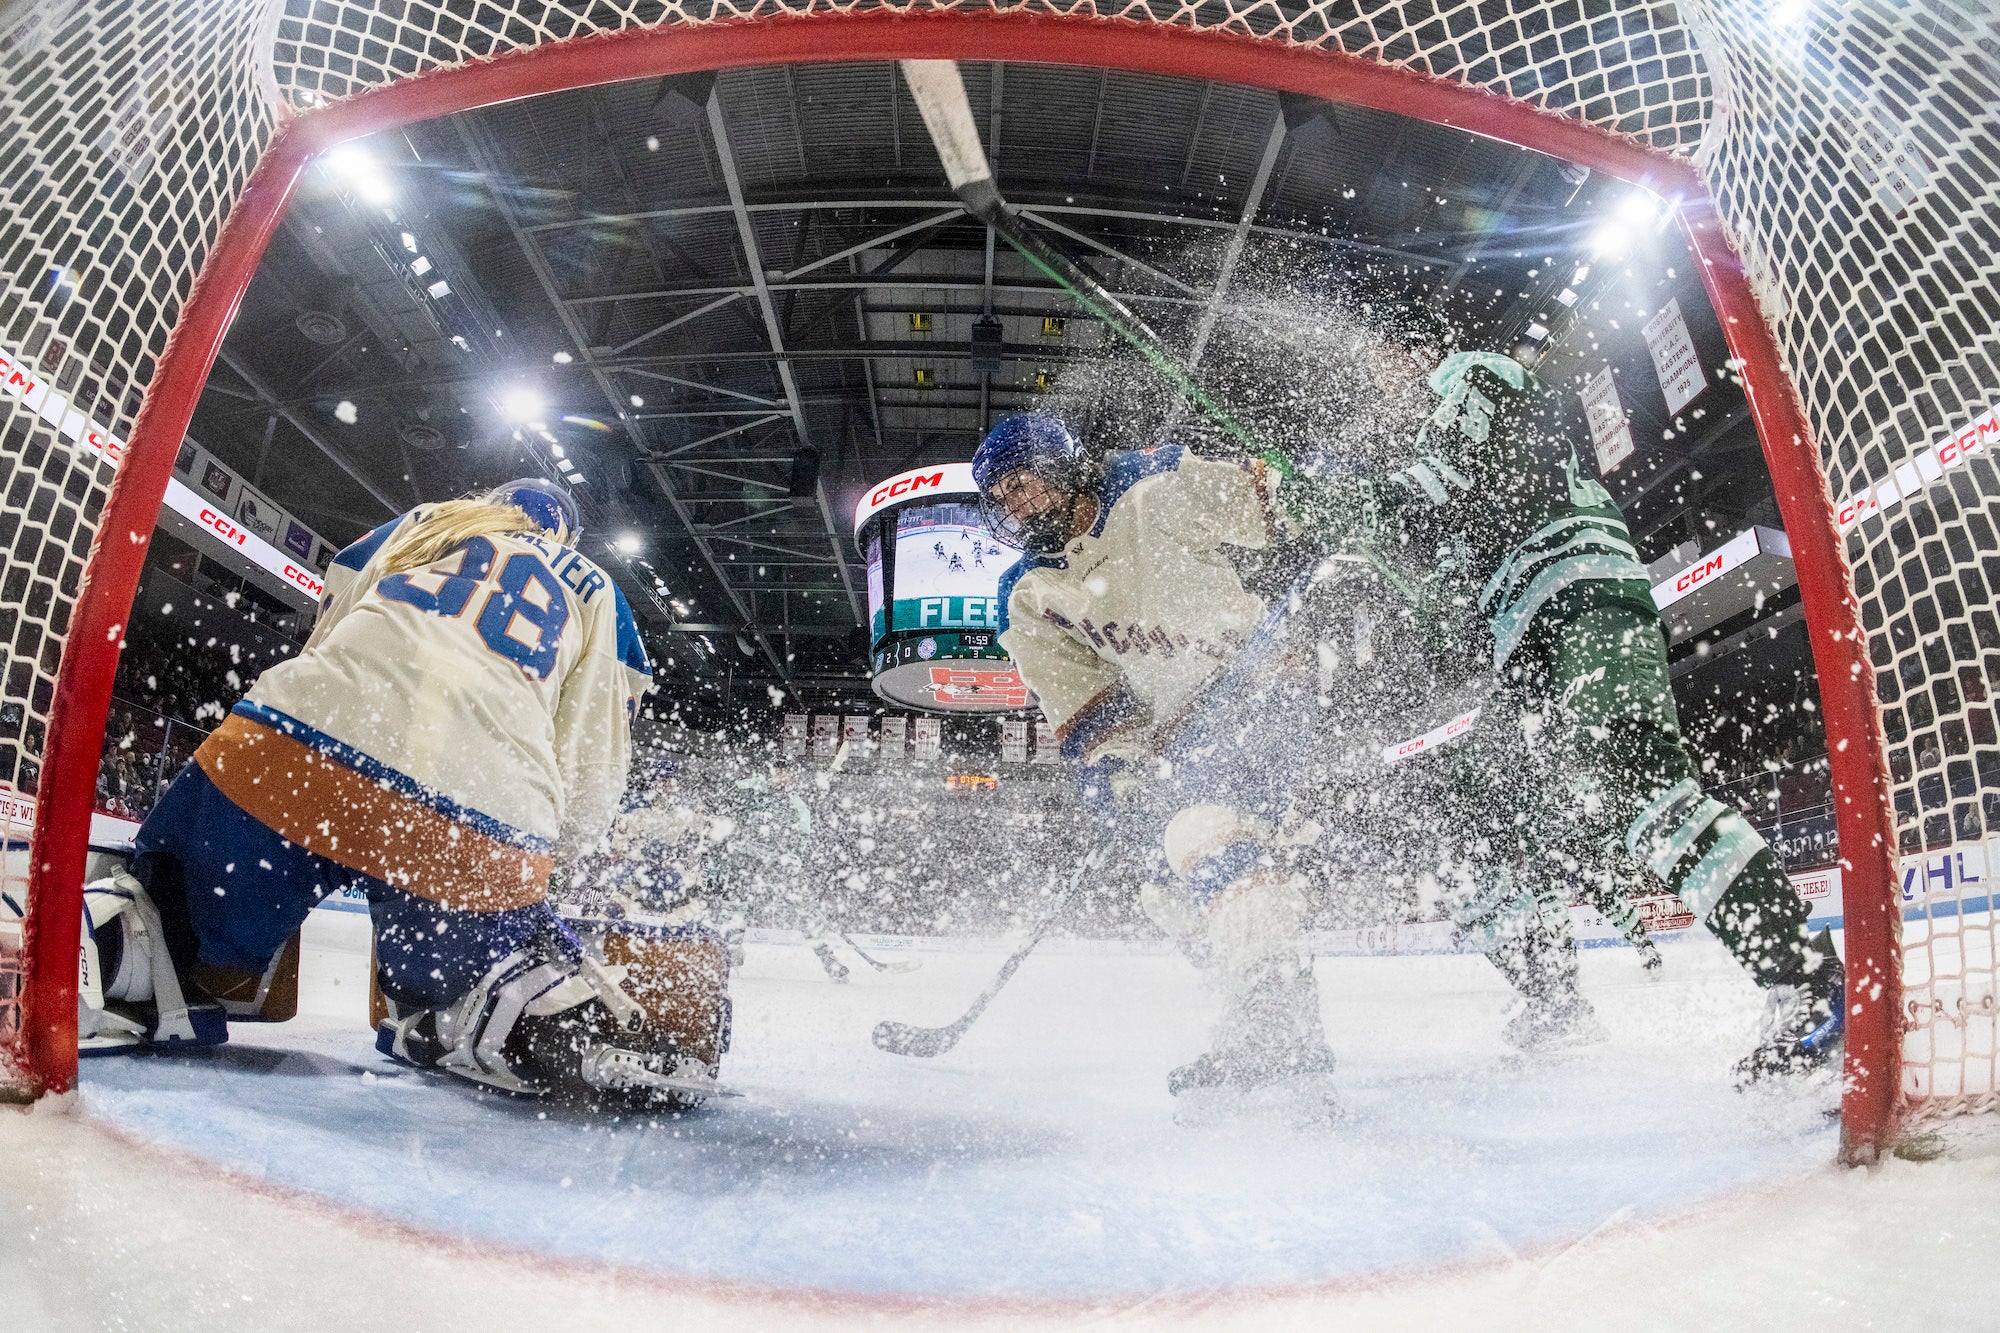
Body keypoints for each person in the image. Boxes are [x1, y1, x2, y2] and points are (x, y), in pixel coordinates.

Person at [1286, 314, 1841, 1082]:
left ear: (1414, 351)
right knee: (1478, 818)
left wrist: (1308, 497)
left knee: (1642, 789)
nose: (1383, 384)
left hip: (1579, 598)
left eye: (1386, 363)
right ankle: (1555, 997)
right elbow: (1449, 573)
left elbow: (1429, 495)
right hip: (1531, 639)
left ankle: (1811, 981)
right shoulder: (1444, 432)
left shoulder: (1469, 374)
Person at [78, 480, 707, 1106]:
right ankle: (501, 1013)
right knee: (467, 979)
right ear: (564, 534)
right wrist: (538, 870)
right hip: (479, 801)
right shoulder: (599, 589)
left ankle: (120, 955)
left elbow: (331, 620)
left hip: (302, 741)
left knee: (169, 917)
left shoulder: (425, 519)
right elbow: (594, 759)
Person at [975, 411, 1344, 1115]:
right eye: (1002, 498)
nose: (1015, 506)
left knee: (1205, 830)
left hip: (1260, 680)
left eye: (1021, 484)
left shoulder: (1153, 485)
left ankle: (1279, 1019)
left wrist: (1321, 490)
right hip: (1183, 732)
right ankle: (1258, 1006)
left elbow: (1275, 505)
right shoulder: (1027, 597)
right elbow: (1088, 705)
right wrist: (1119, 769)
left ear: (1060, 465)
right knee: (1164, 889)